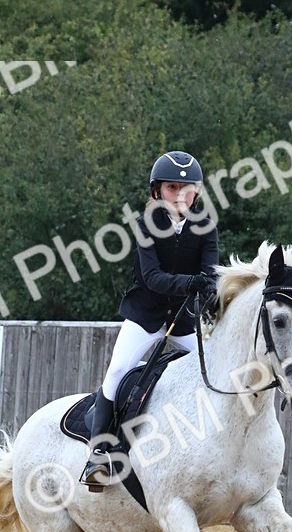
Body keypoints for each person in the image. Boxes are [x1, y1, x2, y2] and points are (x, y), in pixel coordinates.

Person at [82, 150, 219, 487]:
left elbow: (212, 273)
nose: (181, 196)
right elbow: (153, 278)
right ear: (157, 191)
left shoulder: (206, 225)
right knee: (116, 371)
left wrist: (209, 288)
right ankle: (98, 455)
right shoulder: (145, 225)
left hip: (185, 320)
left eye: (188, 189)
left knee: (214, 372)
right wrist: (190, 282)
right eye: (173, 188)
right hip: (146, 317)